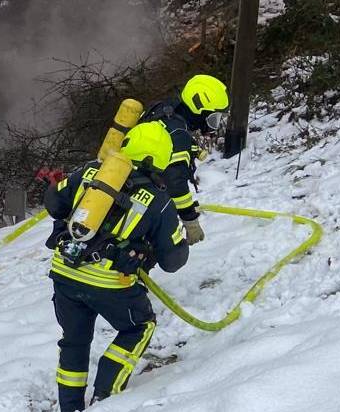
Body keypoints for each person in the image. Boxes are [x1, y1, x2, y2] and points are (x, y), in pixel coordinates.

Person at [43, 121, 190, 412]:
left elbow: (53, 202)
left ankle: (70, 408)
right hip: (111, 284)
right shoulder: (159, 201)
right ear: (161, 159)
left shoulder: (89, 172)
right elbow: (173, 261)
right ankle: (105, 399)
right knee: (139, 327)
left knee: (74, 342)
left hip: (65, 273)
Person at [140, 74, 230, 245]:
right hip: (144, 201)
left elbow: (162, 143)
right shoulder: (179, 134)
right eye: (213, 117)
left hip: (131, 184)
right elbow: (176, 185)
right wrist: (191, 222)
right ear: (199, 109)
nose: (213, 125)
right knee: (173, 255)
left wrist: (192, 147)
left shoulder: (164, 110)